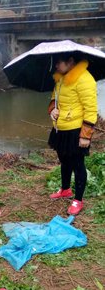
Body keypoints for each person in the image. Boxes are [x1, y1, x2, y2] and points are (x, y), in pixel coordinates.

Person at [48, 53, 98, 215]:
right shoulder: (61, 77)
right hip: (60, 128)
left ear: (70, 61)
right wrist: (52, 110)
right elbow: (54, 100)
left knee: (78, 164)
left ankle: (78, 200)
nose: (56, 66)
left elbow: (90, 109)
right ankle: (65, 189)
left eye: (58, 62)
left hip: (76, 130)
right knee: (64, 160)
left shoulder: (84, 78)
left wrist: (85, 135)